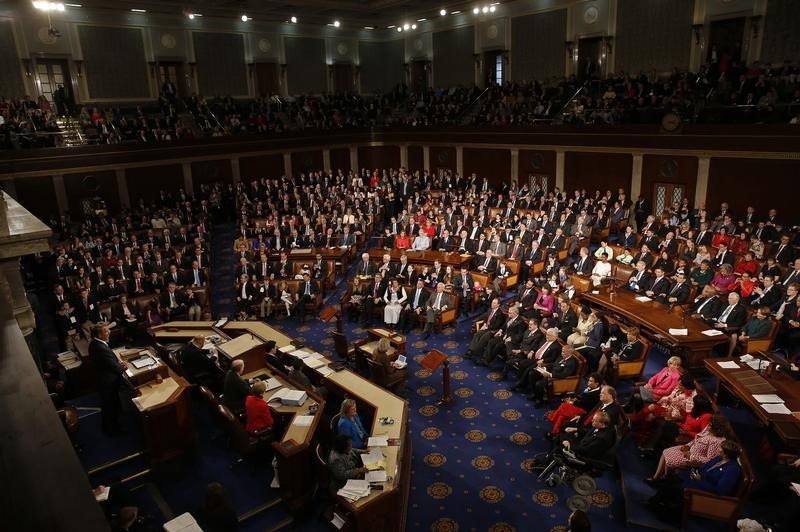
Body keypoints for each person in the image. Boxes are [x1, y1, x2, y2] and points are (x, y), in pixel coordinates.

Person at [647, 440, 742, 514]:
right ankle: (656, 502)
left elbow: (721, 490)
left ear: (726, 453)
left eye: (720, 448)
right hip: (696, 479)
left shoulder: (733, 470)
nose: (718, 449)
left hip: (705, 490)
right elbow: (703, 468)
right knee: (671, 477)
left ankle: (658, 505)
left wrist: (700, 480)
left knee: (675, 487)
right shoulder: (718, 458)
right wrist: (694, 472)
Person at [646, 415, 732, 483]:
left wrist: (691, 456)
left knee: (669, 459)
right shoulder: (708, 431)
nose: (708, 426)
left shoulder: (717, 441)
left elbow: (709, 461)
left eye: (710, 425)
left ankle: (663, 478)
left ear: (717, 428)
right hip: (688, 450)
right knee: (666, 451)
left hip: (692, 460)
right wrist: (687, 445)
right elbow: (696, 439)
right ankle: (657, 477)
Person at [90, 323, 127, 436]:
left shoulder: (94, 343)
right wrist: (123, 366)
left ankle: (110, 426)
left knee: (109, 407)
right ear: (100, 335)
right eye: (106, 331)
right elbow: (116, 369)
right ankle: (112, 430)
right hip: (108, 383)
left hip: (103, 380)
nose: (109, 332)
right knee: (110, 407)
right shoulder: (101, 348)